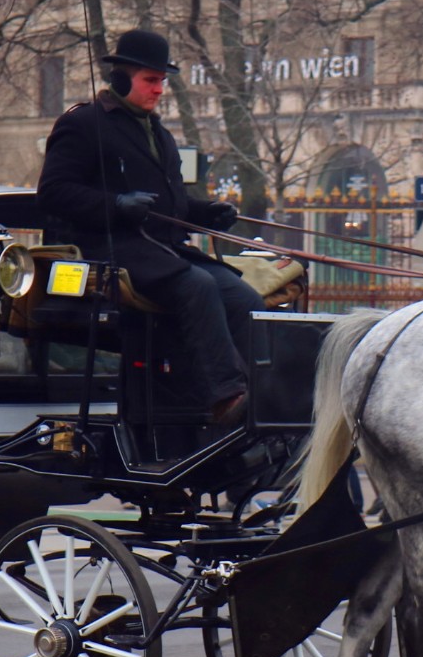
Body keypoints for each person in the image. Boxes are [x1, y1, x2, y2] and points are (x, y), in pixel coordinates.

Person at [36, 28, 260, 424]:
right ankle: (226, 396)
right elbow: (53, 192)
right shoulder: (84, 124)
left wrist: (204, 212)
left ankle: (265, 393)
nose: (159, 90)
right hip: (112, 250)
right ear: (120, 78)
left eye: (162, 81)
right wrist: (115, 205)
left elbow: (167, 206)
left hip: (163, 252)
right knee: (198, 286)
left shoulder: (160, 134)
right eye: (150, 80)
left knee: (245, 299)